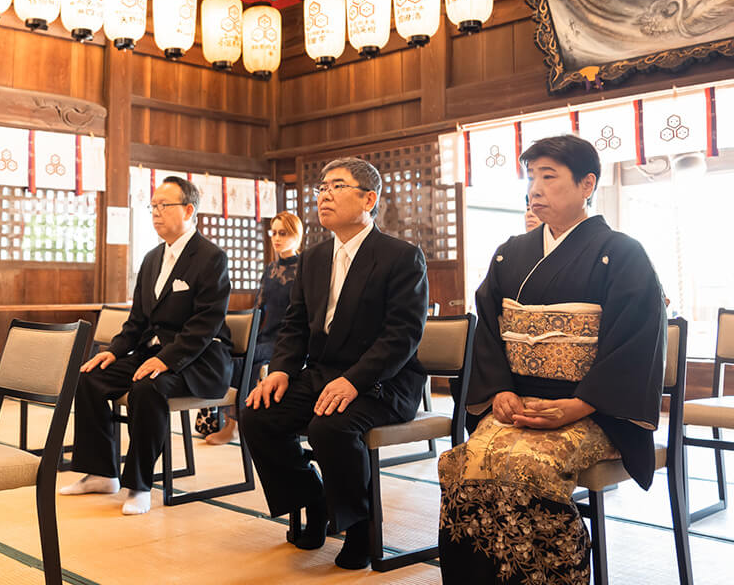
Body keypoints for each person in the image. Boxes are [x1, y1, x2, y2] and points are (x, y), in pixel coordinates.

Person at [438, 135, 666, 585]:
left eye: (549, 176)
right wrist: (500, 389)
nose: (535, 189)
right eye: (531, 177)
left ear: (587, 184)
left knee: (526, 468)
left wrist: (582, 404)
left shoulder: (622, 253)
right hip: (520, 403)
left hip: (594, 410)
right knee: (461, 464)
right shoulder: (510, 252)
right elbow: (488, 329)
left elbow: (637, 340)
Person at [241, 158, 428, 570]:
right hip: (323, 374)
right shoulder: (313, 258)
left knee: (333, 425)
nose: (324, 194)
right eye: (322, 187)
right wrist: (280, 372)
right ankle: (314, 499)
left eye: (337, 186)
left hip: (383, 382)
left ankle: (361, 524)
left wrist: (355, 381)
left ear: (369, 198)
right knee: (257, 414)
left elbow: (402, 336)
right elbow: (294, 327)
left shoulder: (401, 257)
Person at [61, 175, 232, 515]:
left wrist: (167, 359)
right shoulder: (153, 258)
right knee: (90, 378)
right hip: (153, 354)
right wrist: (112, 351)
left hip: (199, 359)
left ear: (188, 210)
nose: (155, 212)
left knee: (147, 387)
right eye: (152, 206)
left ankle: (138, 484)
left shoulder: (211, 257)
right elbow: (137, 321)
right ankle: (100, 473)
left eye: (163, 206)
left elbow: (205, 324)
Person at [202, 210, 302, 446]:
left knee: (246, 360)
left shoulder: (304, 268)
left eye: (283, 233)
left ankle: (239, 424)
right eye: (274, 233)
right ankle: (232, 423)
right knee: (231, 355)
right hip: (264, 336)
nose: (276, 238)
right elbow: (259, 307)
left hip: (286, 340)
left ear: (296, 235)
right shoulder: (270, 269)